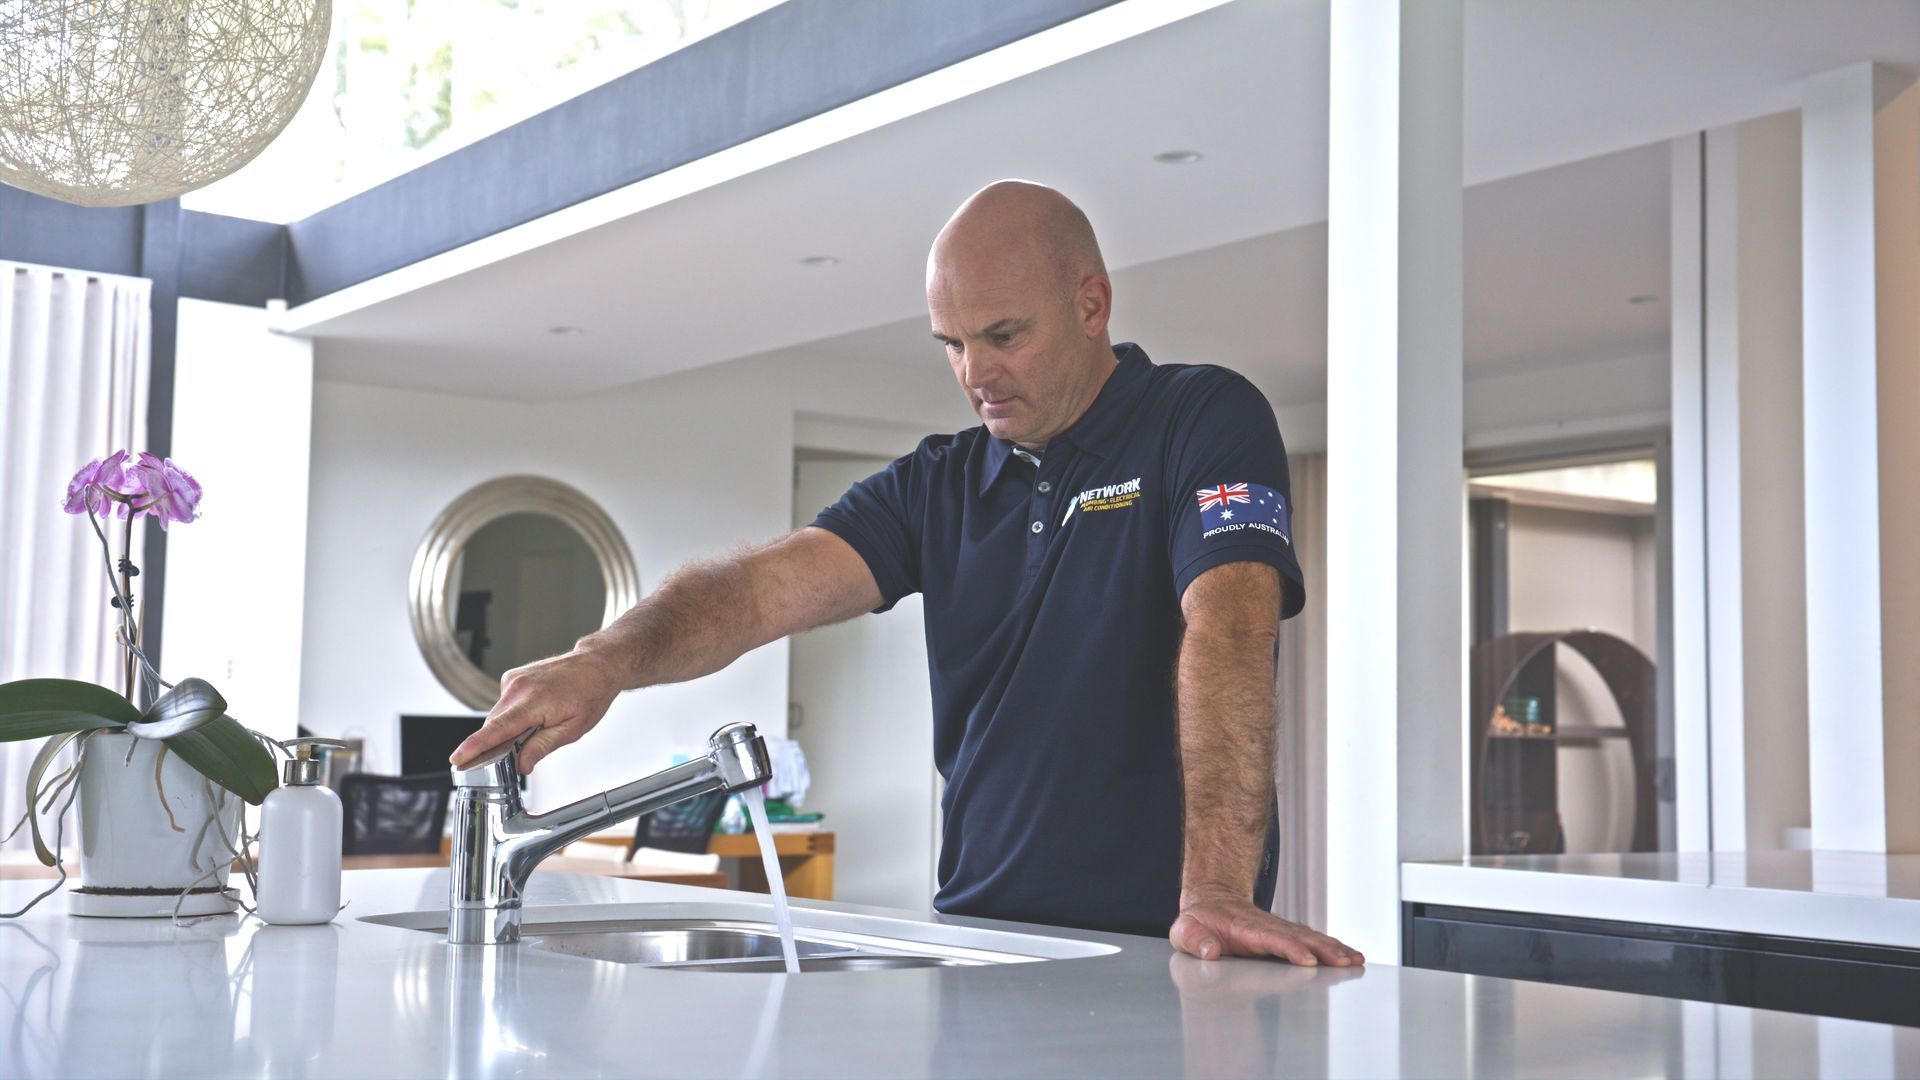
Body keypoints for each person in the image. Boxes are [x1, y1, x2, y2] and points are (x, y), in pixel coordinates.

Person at [451, 180, 1363, 967]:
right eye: (953, 344)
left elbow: (1233, 627)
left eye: (1003, 335)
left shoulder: (1199, 419)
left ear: (1092, 305)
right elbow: (758, 588)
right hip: (980, 940)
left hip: (1163, 949)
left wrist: (1215, 892)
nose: (976, 373)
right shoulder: (940, 484)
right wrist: (606, 659)